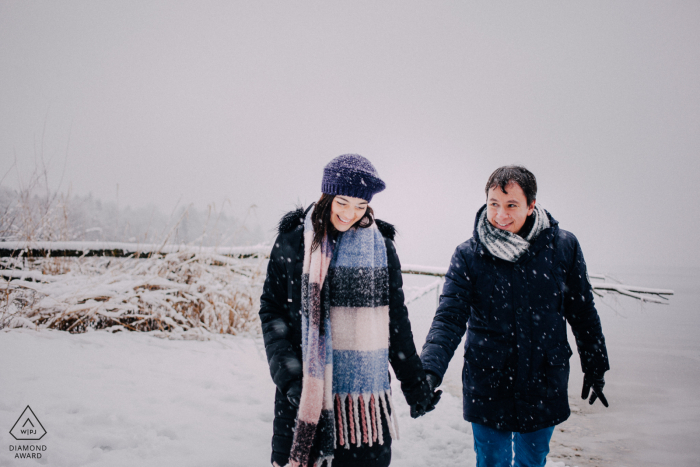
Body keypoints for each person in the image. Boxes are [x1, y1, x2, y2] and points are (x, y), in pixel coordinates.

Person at [420, 165, 610, 467]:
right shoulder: (469, 255)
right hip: (488, 378)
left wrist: (595, 363)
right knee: (492, 461)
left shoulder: (563, 247)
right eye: (494, 204)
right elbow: (449, 317)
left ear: (531, 205)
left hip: (543, 379)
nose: (500, 215)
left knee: (532, 460)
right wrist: (429, 371)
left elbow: (582, 310)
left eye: (511, 205)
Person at [259, 154, 438, 467]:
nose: (350, 213)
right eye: (343, 202)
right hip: (305, 394)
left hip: (363, 410)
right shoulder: (293, 241)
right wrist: (290, 376)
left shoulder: (380, 247)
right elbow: (271, 310)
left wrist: (415, 384)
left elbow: (394, 319)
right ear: (327, 195)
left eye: (360, 205)